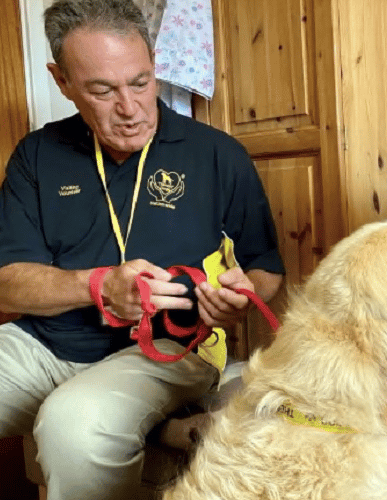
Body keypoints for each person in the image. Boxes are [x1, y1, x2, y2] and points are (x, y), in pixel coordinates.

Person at [0, 1, 284, 499]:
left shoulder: (219, 155)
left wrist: (238, 296)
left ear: (154, 63)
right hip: (45, 346)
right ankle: (164, 429)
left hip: (172, 349)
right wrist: (98, 287)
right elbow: (7, 279)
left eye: (141, 82)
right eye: (103, 90)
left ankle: (150, 423)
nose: (130, 109)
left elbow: (265, 269)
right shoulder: (37, 155)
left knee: (74, 426)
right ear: (61, 81)